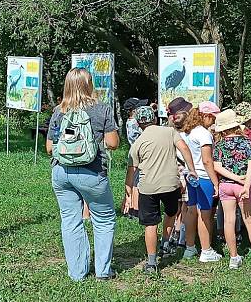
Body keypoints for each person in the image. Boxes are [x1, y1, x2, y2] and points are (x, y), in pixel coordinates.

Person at [46, 68, 119, 281]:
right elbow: (113, 143)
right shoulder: (102, 109)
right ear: (89, 84)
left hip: (61, 172)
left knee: (70, 220)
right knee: (104, 219)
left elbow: (50, 148)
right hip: (92, 172)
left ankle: (77, 273)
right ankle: (103, 272)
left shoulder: (59, 111)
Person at [125, 106, 197, 274]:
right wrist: (191, 169)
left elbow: (131, 170)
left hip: (147, 187)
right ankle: (165, 242)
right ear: (155, 119)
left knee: (150, 224)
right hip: (170, 184)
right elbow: (184, 148)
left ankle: (151, 262)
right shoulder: (169, 132)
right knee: (171, 212)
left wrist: (128, 192)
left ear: (138, 123)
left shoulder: (137, 143)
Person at [213, 109, 251, 270]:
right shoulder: (247, 142)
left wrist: (233, 178)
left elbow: (217, 166)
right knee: (249, 221)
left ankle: (234, 257)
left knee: (229, 221)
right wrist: (245, 184)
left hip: (226, 185)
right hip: (244, 185)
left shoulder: (219, 144)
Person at [183, 101, 222, 262]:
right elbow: (207, 161)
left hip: (191, 176)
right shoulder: (204, 134)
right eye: (213, 118)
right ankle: (206, 250)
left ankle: (190, 247)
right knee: (205, 214)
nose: (213, 121)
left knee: (192, 211)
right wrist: (216, 183)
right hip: (204, 177)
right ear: (205, 116)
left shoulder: (189, 132)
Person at [166, 97, 193, 249]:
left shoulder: (167, 131)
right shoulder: (183, 135)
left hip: (170, 172)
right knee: (185, 207)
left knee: (174, 207)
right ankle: (182, 237)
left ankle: (171, 237)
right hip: (183, 172)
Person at [122, 97, 149, 219]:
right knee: (137, 183)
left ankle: (131, 206)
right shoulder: (134, 123)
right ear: (133, 110)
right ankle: (136, 209)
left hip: (134, 153)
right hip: (139, 154)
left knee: (134, 181)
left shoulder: (129, 121)